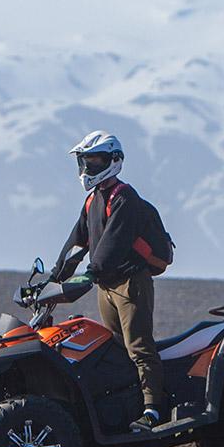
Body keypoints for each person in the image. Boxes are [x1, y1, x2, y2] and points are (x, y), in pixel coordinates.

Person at [51, 130, 176, 430]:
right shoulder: (93, 200)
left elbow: (113, 242)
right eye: (85, 161)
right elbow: (77, 243)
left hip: (130, 283)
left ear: (113, 160)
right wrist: (54, 278)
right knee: (114, 347)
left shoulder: (124, 197)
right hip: (106, 286)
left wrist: (91, 272)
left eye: (94, 160)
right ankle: (127, 404)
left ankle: (153, 410)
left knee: (139, 346)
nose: (87, 168)